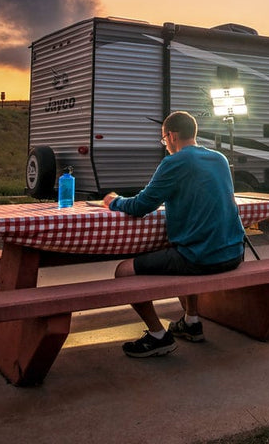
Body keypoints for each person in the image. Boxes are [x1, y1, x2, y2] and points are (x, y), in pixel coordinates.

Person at [103, 110, 245, 358]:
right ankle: (191, 322)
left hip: (202, 259)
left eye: (163, 139)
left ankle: (158, 336)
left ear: (171, 135)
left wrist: (113, 201)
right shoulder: (220, 158)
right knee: (181, 250)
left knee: (124, 270)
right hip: (234, 253)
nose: (165, 145)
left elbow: (140, 206)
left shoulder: (174, 162)